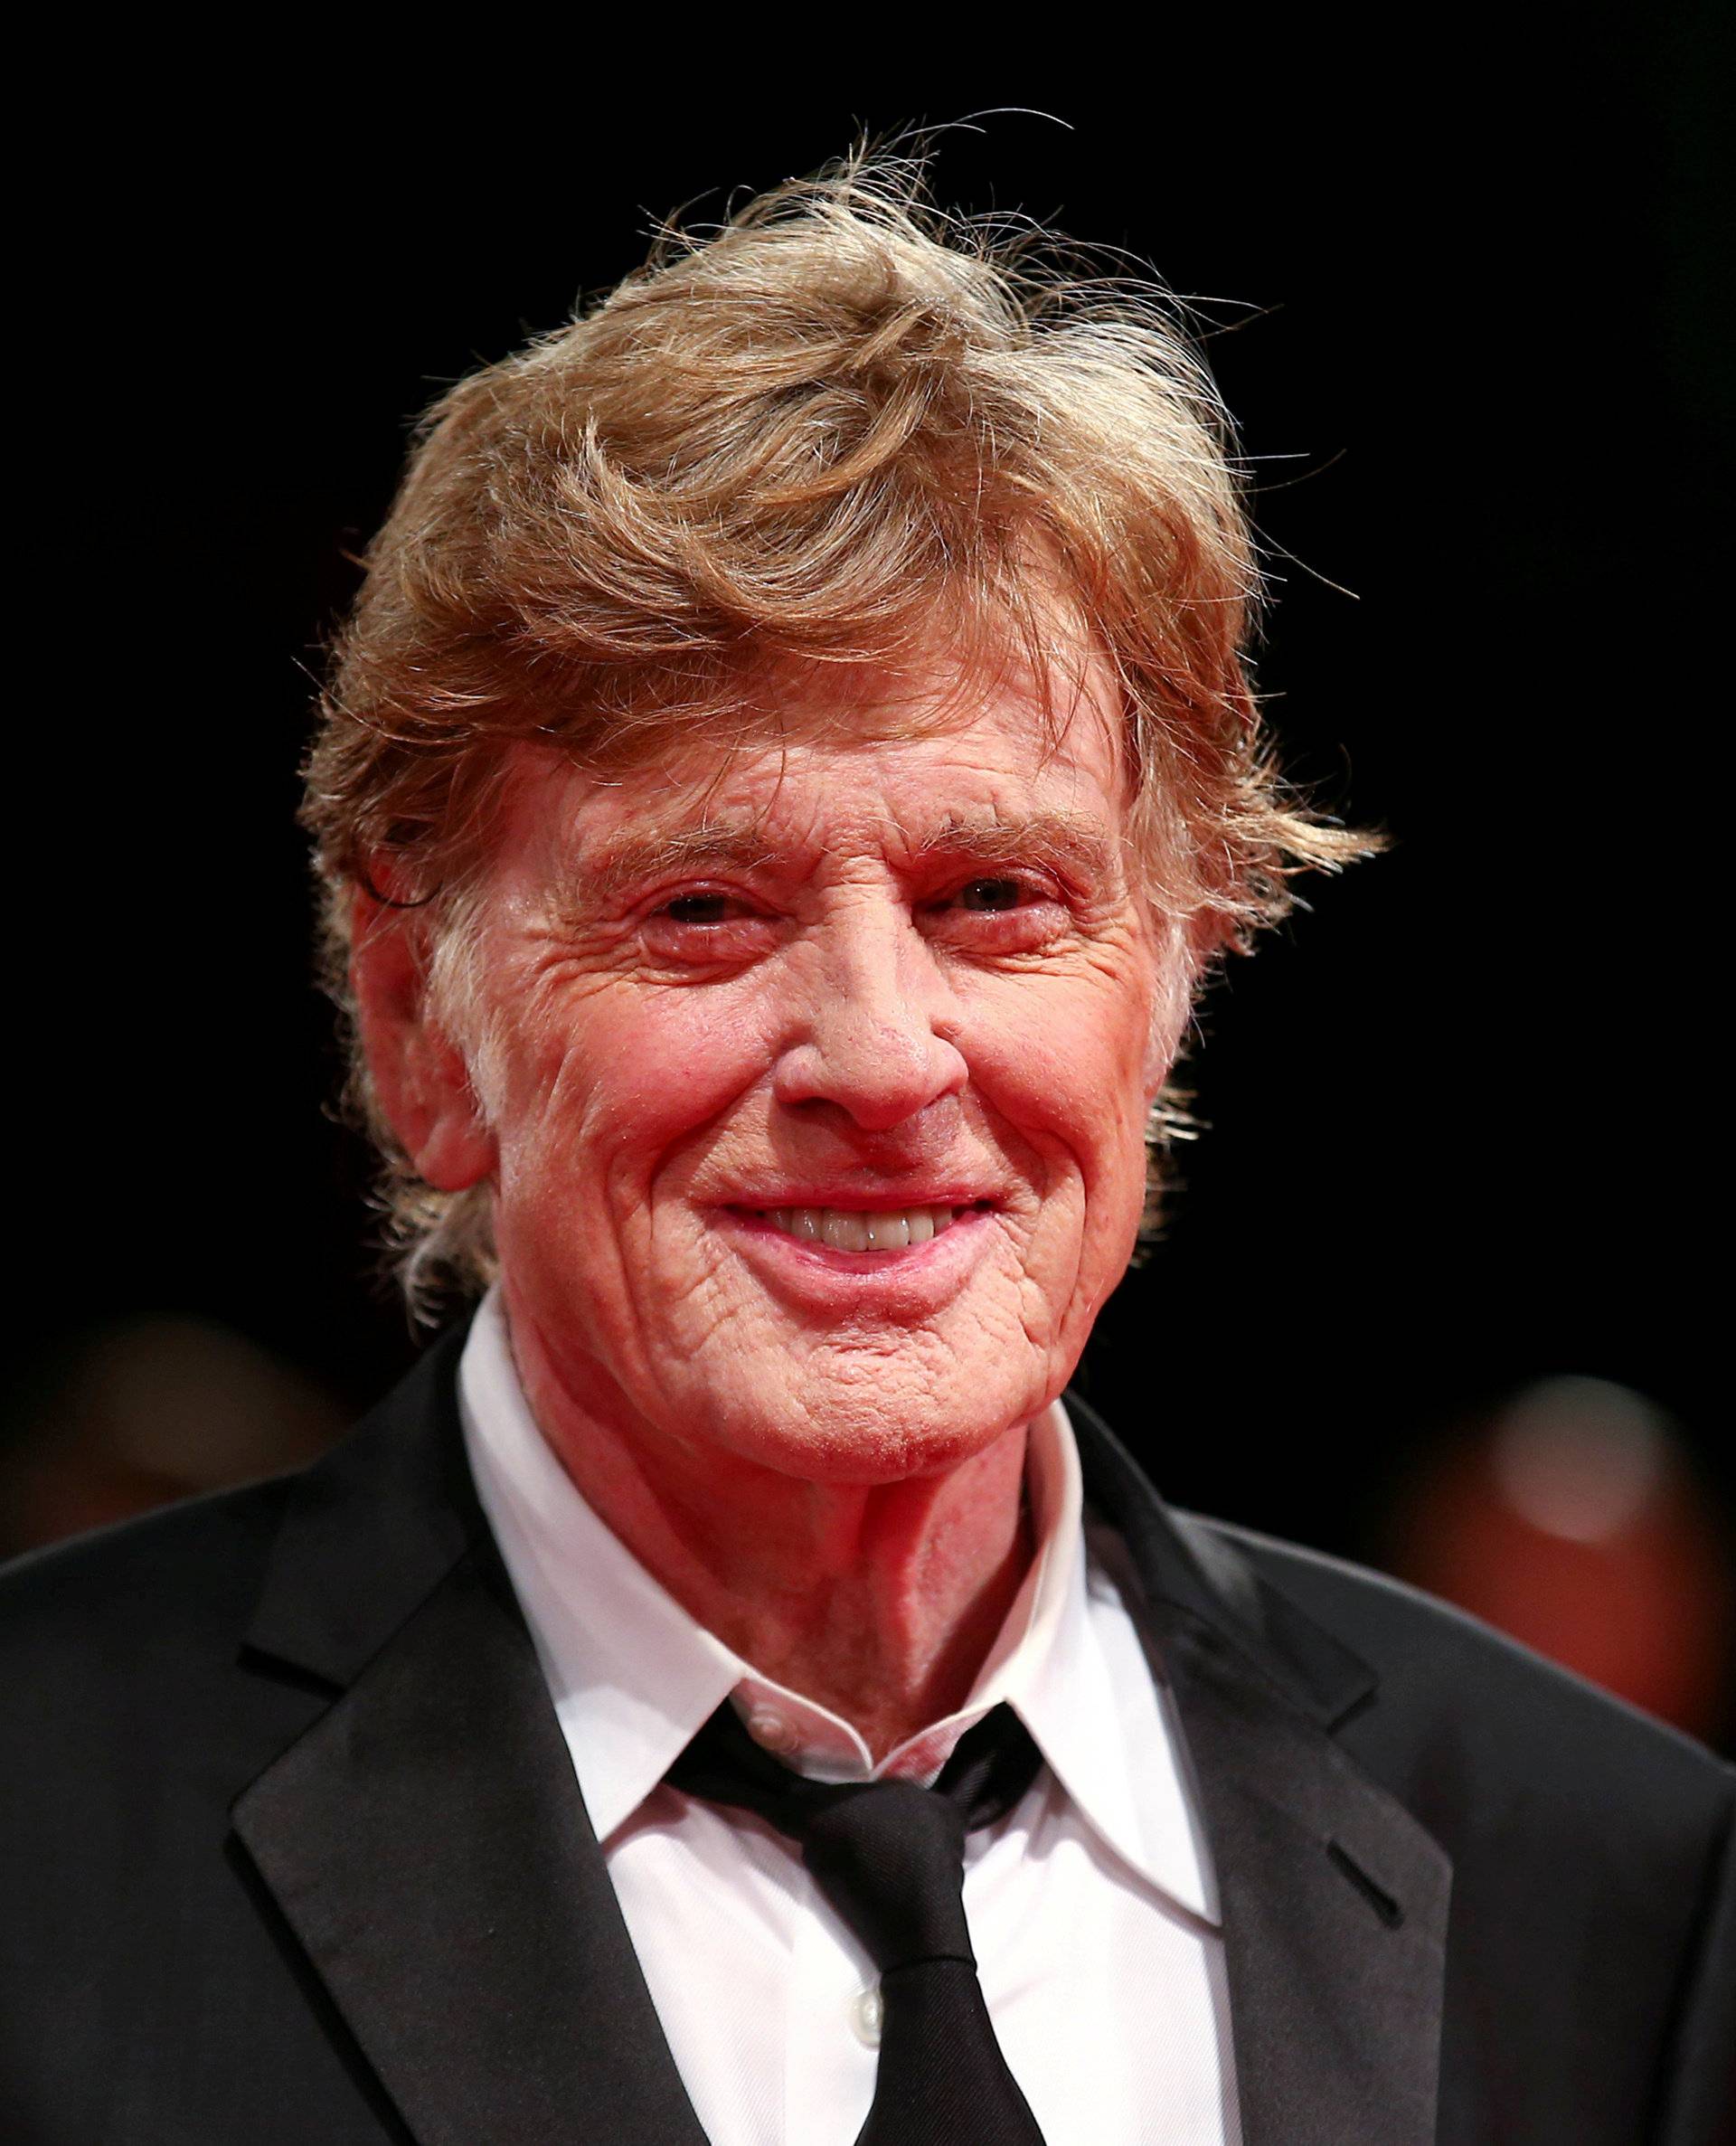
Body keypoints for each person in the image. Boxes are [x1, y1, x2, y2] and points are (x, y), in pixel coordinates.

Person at [2, 153, 1730, 2146]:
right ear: (419, 1022)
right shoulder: (36, 1832)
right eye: (703, 908)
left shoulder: (1614, 1881)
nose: (881, 1055)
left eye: (998, 891)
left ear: (1175, 973)